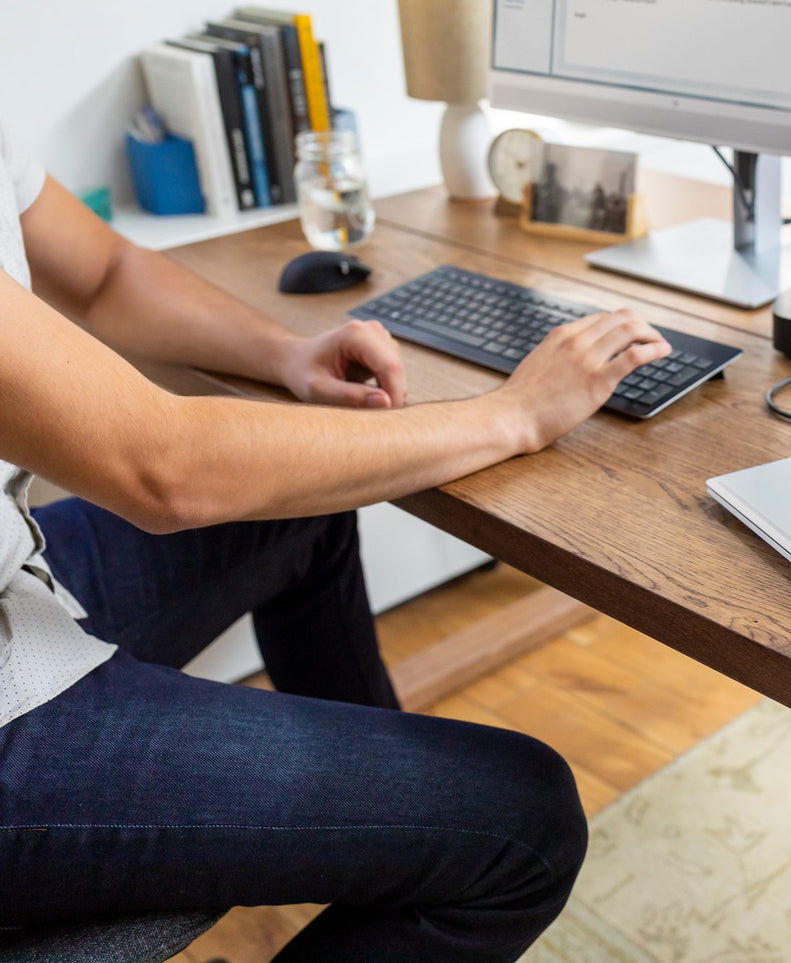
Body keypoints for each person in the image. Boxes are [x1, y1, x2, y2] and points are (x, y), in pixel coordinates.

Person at [0, 112, 669, 961]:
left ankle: (378, 832)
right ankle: (405, 838)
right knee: (523, 823)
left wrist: (287, 354)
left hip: (19, 581)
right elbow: (163, 468)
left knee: (298, 510)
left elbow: (102, 273)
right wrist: (512, 415)